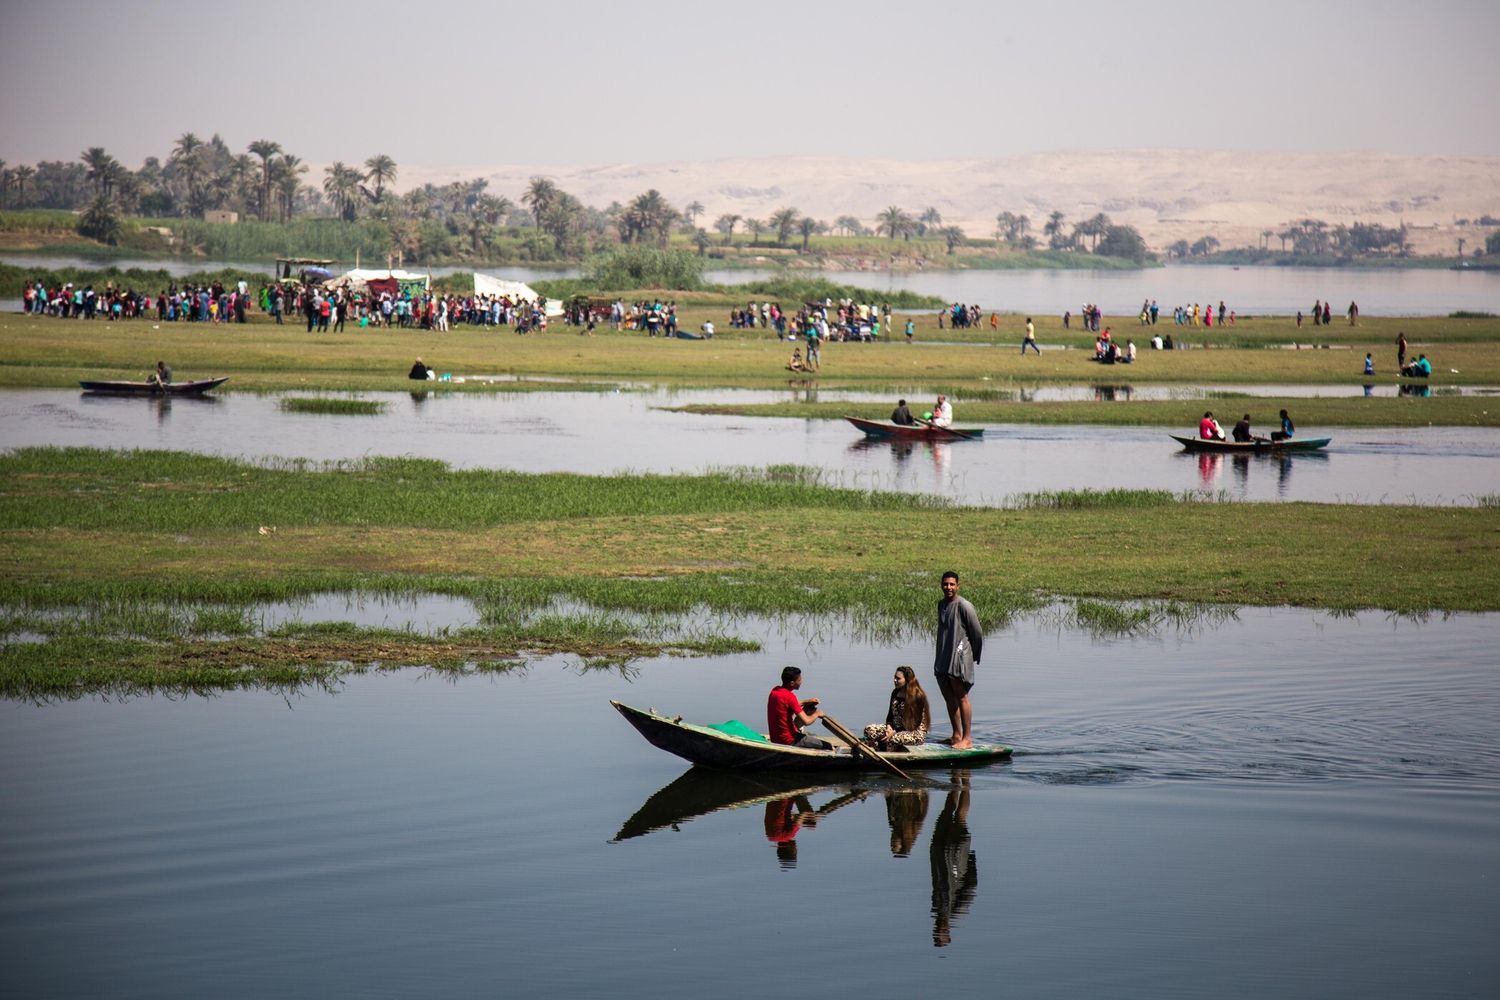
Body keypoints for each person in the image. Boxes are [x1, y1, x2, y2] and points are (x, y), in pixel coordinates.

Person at [934, 571, 983, 749]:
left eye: (952, 584)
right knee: (948, 695)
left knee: (961, 695)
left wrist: (974, 655)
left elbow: (976, 633)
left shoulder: (964, 606)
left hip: (960, 656)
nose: (948, 587)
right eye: (946, 584)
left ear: (958, 586)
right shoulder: (941, 605)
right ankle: (956, 735)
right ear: (941, 585)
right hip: (944, 655)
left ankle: (967, 738)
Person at [864, 665, 932, 751]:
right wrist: (889, 728)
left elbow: (915, 724)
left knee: (894, 738)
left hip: (913, 732)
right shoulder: (895, 692)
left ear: (907, 680)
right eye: (894, 677)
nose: (894, 680)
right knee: (870, 729)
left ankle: (888, 756)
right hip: (895, 728)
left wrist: (894, 732)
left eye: (898, 678)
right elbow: (890, 715)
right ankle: (876, 750)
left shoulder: (917, 696)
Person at [768, 666, 831, 749]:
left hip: (776, 738)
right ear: (792, 683)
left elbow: (788, 703)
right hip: (790, 740)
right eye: (799, 680)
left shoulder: (775, 691)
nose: (801, 681)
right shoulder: (790, 697)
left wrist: (807, 701)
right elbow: (807, 721)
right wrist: (817, 714)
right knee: (828, 746)